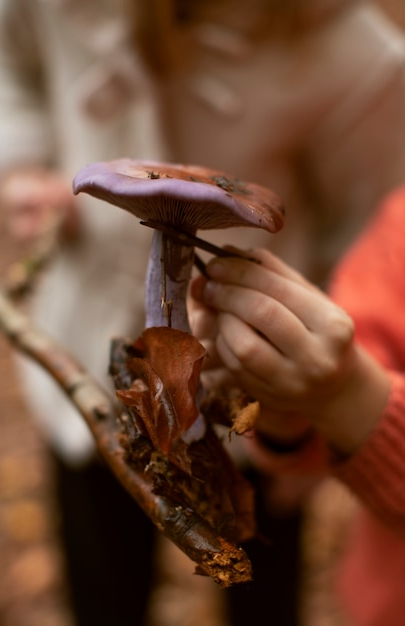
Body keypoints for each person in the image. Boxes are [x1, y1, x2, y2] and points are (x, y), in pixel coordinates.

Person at [0, 1, 405, 624]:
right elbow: (4, 61)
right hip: (90, 374)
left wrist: (313, 403)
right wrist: (23, 162)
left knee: (256, 586)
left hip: (250, 406)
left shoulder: (351, 51)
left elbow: (373, 235)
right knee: (104, 580)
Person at [189, 182, 405, 626]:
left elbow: (352, 388)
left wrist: (348, 395)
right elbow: (365, 344)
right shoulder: (400, 227)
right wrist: (291, 418)